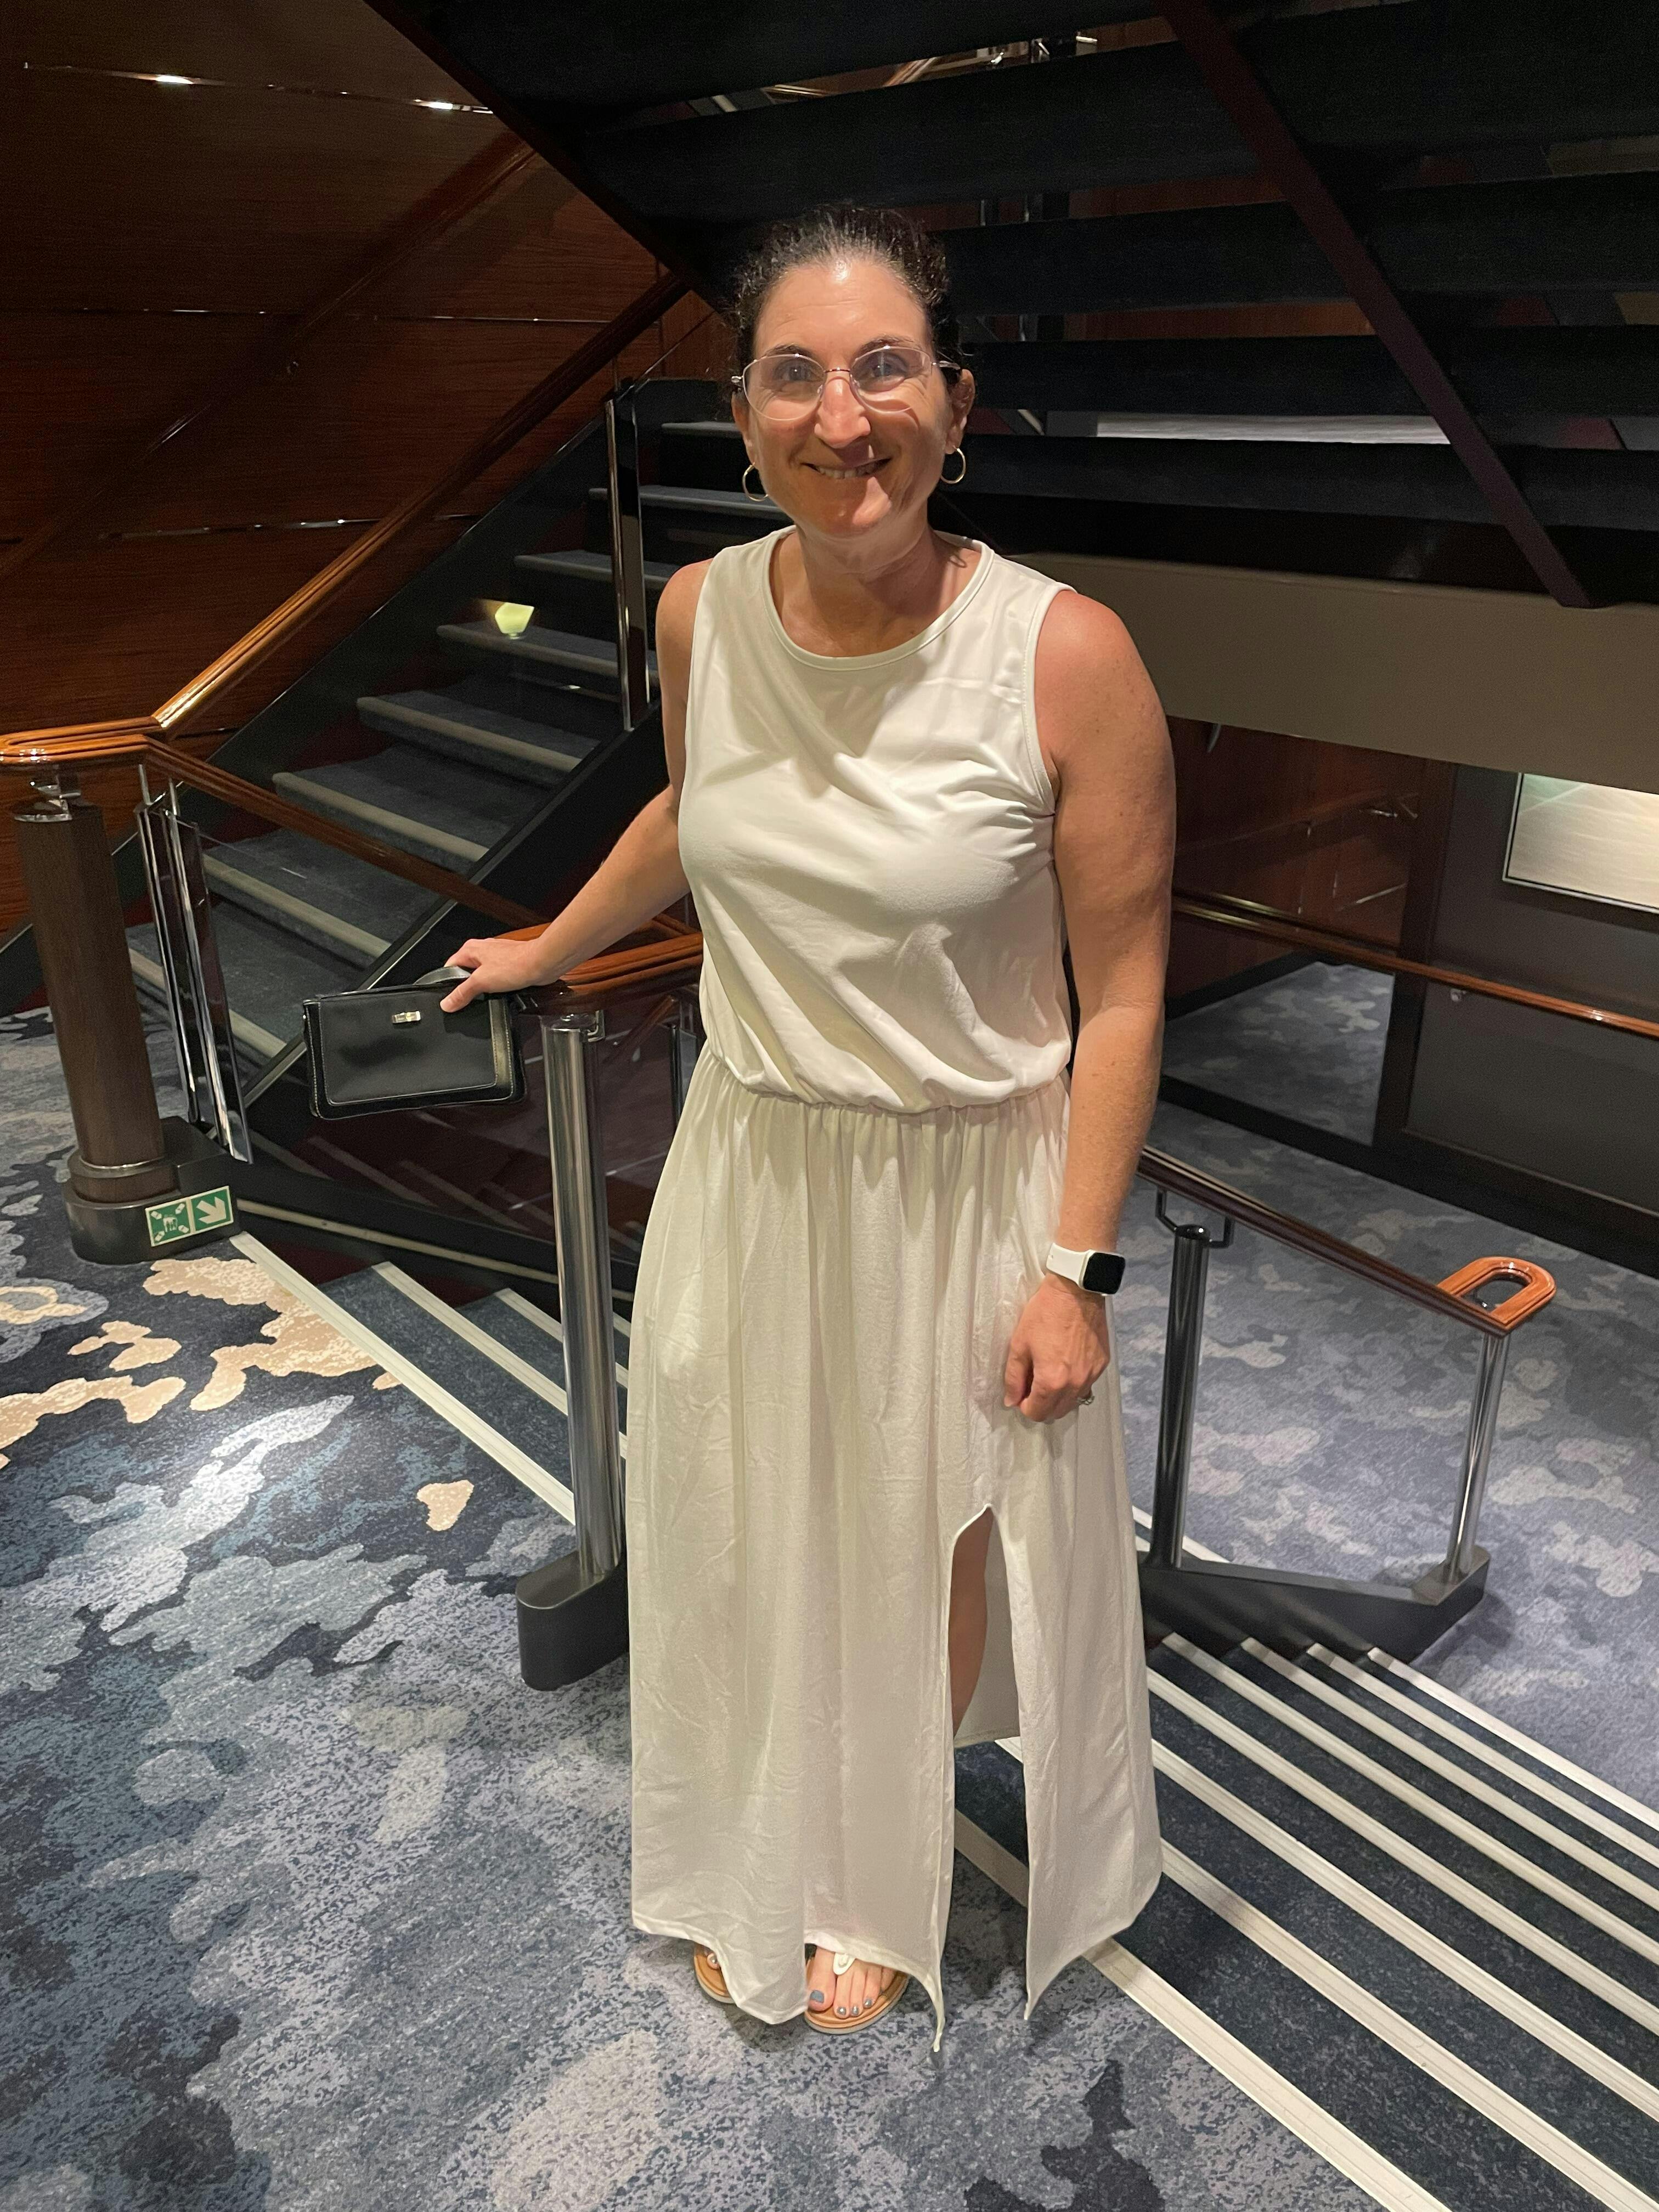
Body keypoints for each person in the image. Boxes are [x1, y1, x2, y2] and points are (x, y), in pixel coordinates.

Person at [442, 202, 1173, 2049]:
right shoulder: (700, 610)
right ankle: (773, 1824)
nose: (843, 418)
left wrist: (1076, 1268)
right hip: (754, 1158)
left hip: (966, 1184)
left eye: (885, 369)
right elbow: (697, 810)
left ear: (957, 404)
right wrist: (549, 943)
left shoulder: (1067, 655)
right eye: (797, 374)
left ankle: (865, 1876)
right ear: (744, 413)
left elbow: (1124, 996)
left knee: (924, 1540)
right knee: (755, 1522)